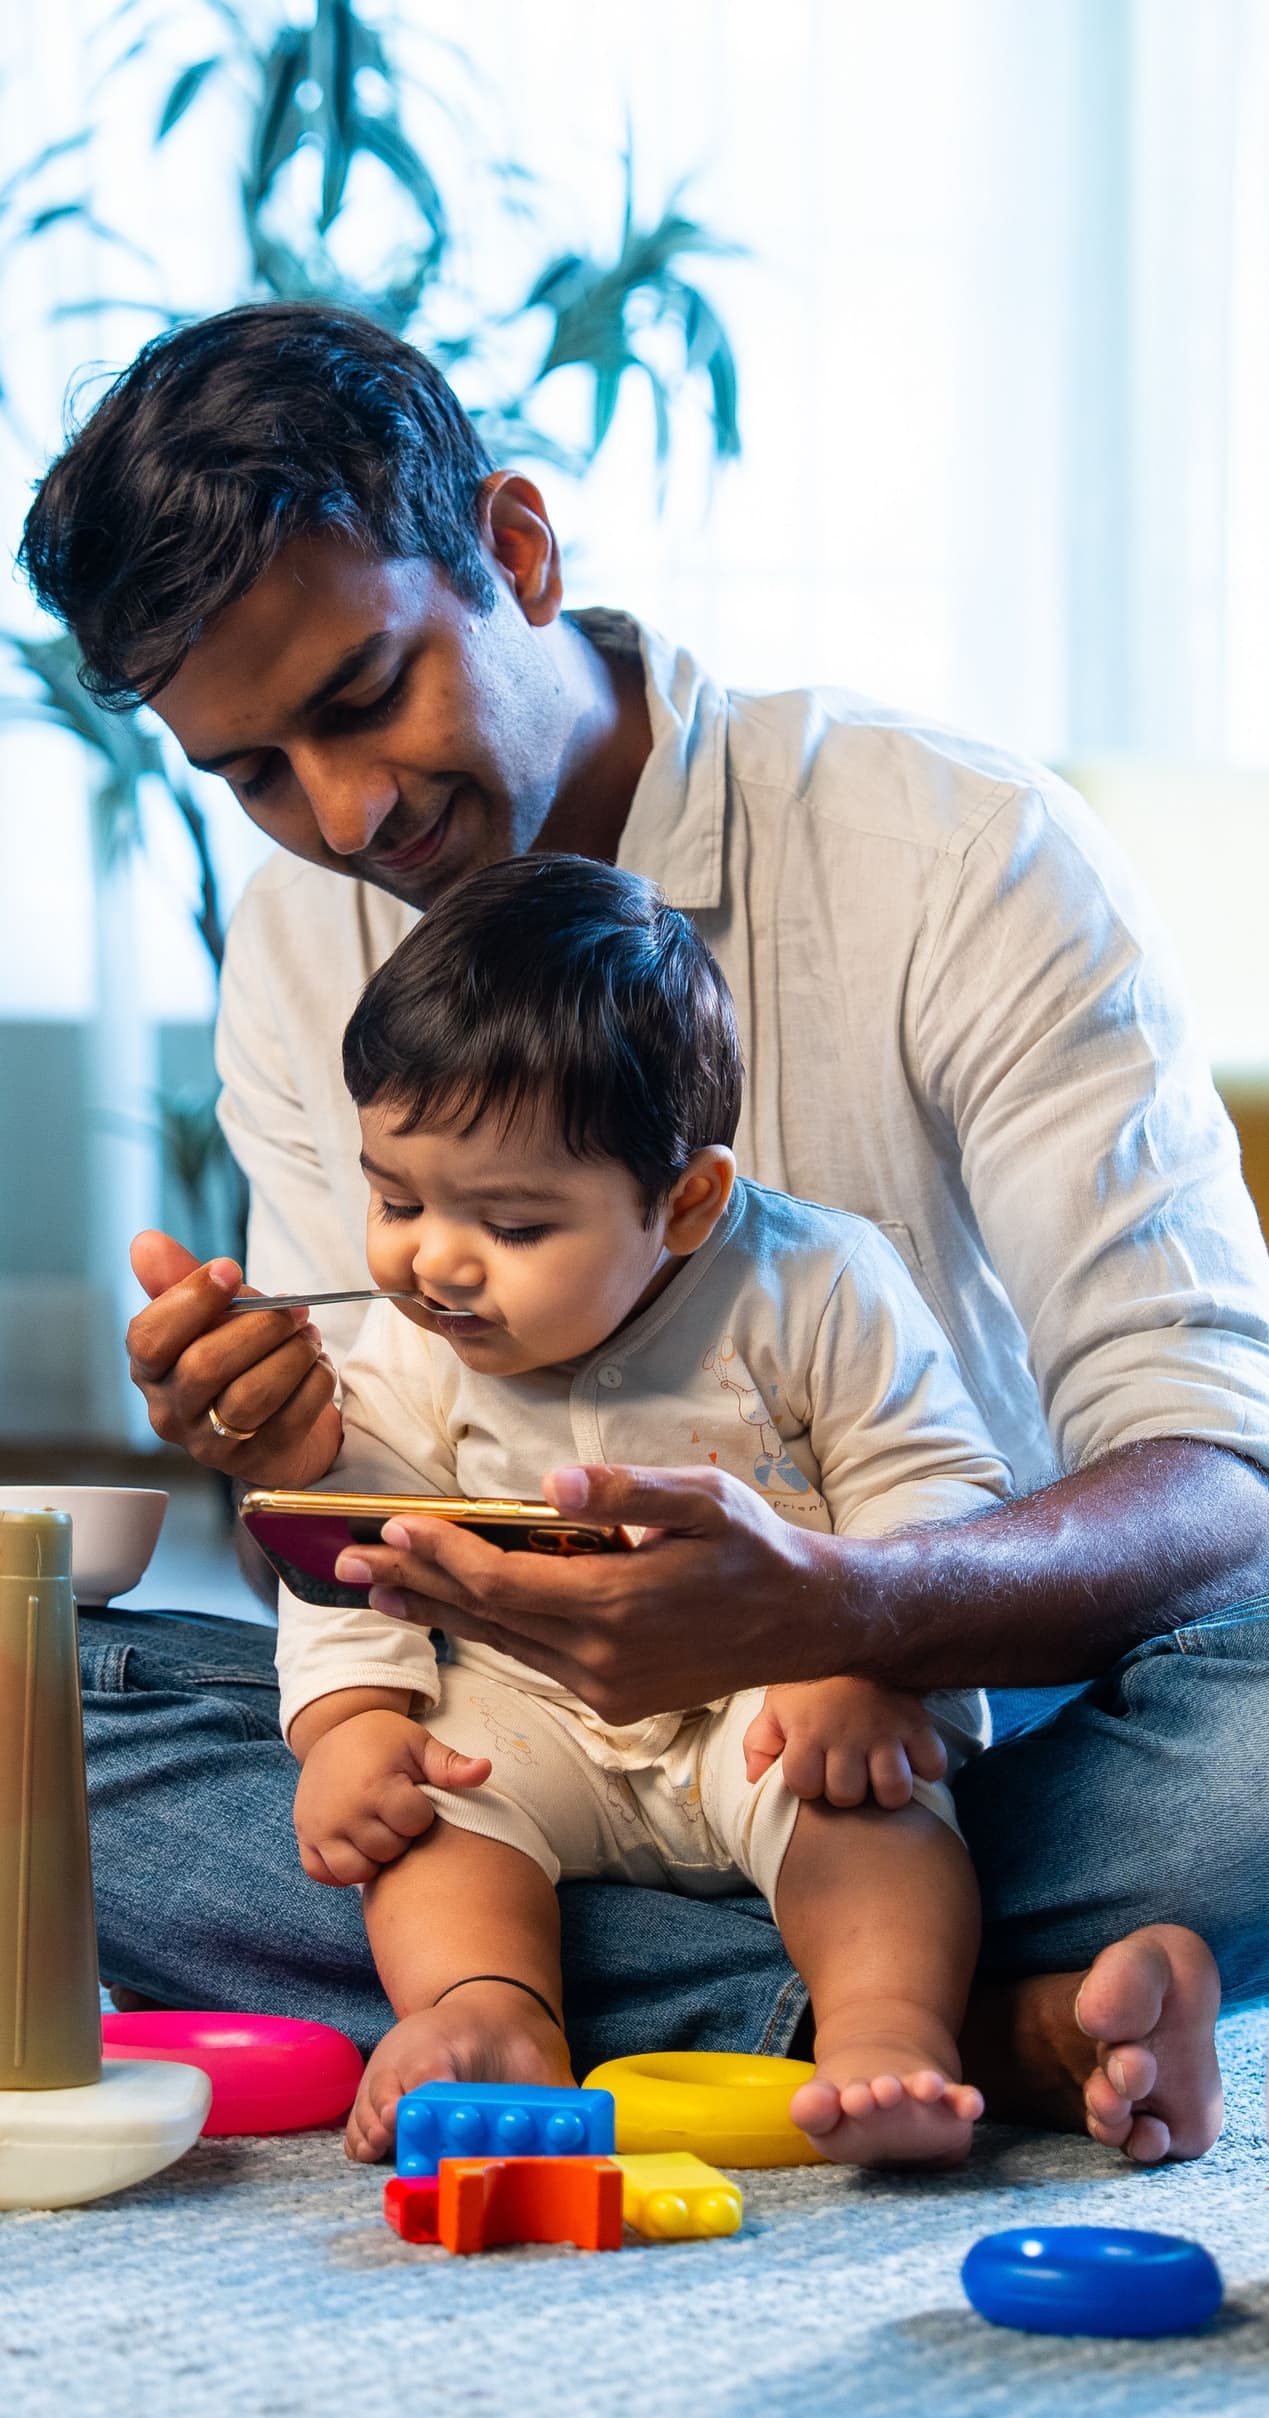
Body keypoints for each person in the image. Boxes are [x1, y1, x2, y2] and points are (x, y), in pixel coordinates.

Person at [0, 303, 1269, 2163]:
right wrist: (290, 1463)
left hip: (922, 1731)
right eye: (251, 771)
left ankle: (590, 2004)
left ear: (517, 550)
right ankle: (967, 2029)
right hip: (511, 1758)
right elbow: (348, 1585)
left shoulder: (955, 853)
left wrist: (849, 1606)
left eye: (365, 692)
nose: (346, 814)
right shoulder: (305, 933)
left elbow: (1234, 1490)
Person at [284, 855, 1019, 2167]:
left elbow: (936, 1494)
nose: (431, 1260)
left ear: (686, 1202)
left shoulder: (821, 1282)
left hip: (774, 1713)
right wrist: (352, 1727)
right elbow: (360, 1550)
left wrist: (865, 1659)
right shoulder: (408, 1340)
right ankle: (494, 2014)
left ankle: (885, 2035)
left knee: (875, 1821)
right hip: (528, 1715)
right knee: (428, 1821)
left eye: (509, 1223)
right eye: (395, 1199)